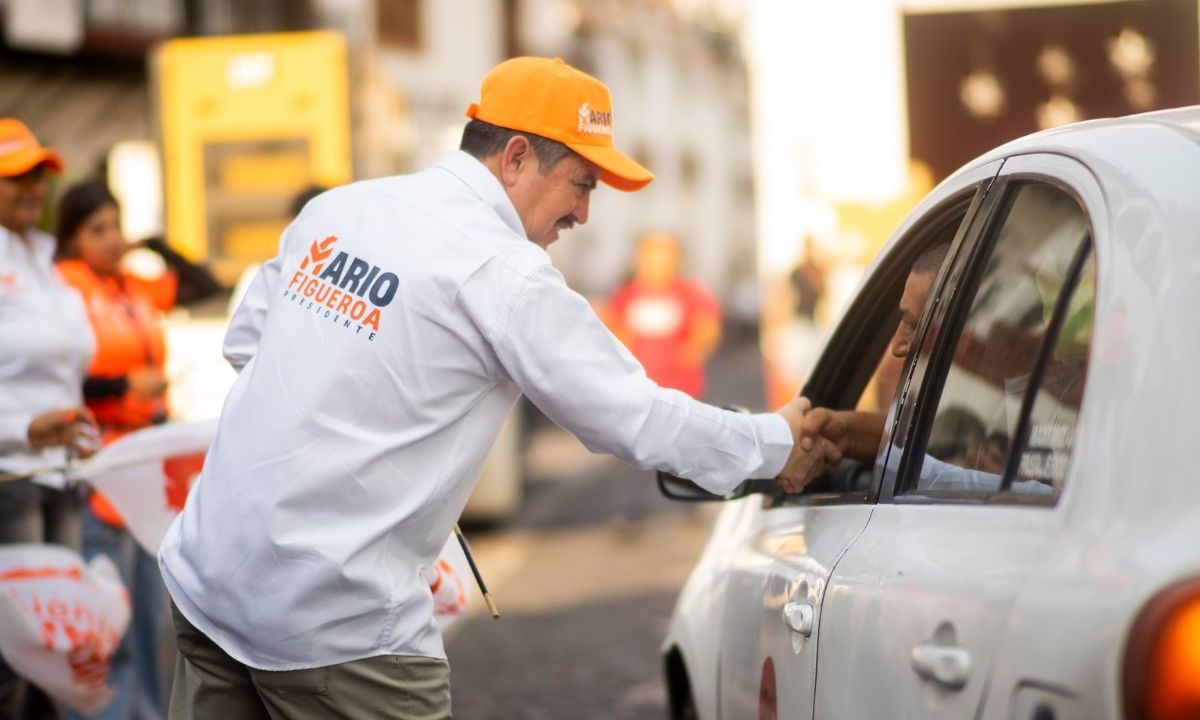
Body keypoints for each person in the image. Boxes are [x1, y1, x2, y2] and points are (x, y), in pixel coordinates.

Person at [158, 57, 831, 719]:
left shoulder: (344, 207)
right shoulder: (504, 271)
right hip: (335, 627)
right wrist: (775, 443)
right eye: (581, 182)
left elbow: (247, 345)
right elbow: (632, 415)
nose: (585, 213)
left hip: (209, 584)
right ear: (514, 158)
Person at [798, 242, 1053, 496]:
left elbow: (1032, 494)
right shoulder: (1025, 407)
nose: (898, 345)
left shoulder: (1055, 416)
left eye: (914, 324)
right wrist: (847, 433)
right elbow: (920, 443)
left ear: (967, 329)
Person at [55, 180, 171, 720]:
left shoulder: (130, 286)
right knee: (109, 622)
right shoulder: (63, 289)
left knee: (150, 620)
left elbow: (199, 283)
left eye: (114, 227)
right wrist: (124, 388)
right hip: (99, 473)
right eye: (95, 230)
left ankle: (145, 713)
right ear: (71, 238)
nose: (109, 240)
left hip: (147, 472)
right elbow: (63, 377)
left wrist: (152, 244)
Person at [0, 118, 100, 718]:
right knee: (18, 649)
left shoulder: (45, 261)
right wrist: (21, 429)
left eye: (40, 176)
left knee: (61, 647)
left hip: (62, 476)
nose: (34, 188)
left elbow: (64, 370)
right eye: (16, 178)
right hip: (9, 476)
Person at [604, 232, 722, 400]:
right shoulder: (626, 295)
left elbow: (706, 327)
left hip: (680, 388)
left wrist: (692, 352)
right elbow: (615, 327)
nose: (655, 267)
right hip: (637, 385)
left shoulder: (690, 294)